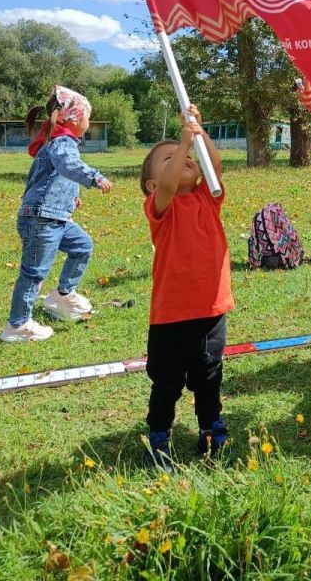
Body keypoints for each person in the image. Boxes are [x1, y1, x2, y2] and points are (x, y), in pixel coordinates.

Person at [139, 104, 232, 471]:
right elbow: (166, 183)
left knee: (209, 376)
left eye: (186, 155)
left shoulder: (208, 199)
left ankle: (211, 427)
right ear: (151, 184)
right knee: (167, 382)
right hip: (171, 315)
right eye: (169, 158)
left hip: (211, 309)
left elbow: (215, 164)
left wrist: (199, 130)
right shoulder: (160, 206)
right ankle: (159, 435)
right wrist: (182, 142)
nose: (185, 157)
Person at [0, 86, 113, 343]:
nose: (89, 123)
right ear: (74, 119)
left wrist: (69, 199)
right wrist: (94, 177)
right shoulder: (62, 142)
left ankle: (62, 296)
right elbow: (68, 166)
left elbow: (48, 178)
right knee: (33, 272)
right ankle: (17, 326)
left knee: (82, 246)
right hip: (42, 220)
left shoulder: (57, 142)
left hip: (55, 217)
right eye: (87, 117)